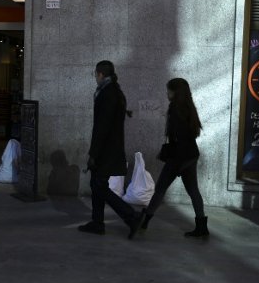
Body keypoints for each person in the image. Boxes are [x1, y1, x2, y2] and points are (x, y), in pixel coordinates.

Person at [78, 60, 144, 239]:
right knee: (97, 184)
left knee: (99, 186)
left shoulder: (107, 93)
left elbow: (102, 127)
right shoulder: (115, 91)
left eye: (95, 75)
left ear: (100, 74)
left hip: (106, 150)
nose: (95, 78)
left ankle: (132, 217)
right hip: (109, 148)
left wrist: (94, 153)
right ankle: (97, 223)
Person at [140, 78, 208, 238]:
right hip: (191, 155)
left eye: (169, 91)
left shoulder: (175, 109)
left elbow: (177, 136)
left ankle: (144, 221)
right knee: (193, 191)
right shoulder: (189, 107)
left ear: (175, 92)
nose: (167, 93)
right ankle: (202, 227)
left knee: (160, 189)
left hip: (179, 157)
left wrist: (175, 162)